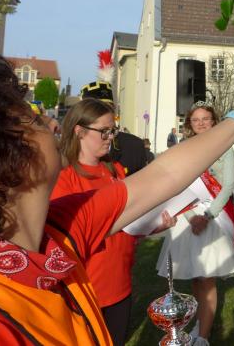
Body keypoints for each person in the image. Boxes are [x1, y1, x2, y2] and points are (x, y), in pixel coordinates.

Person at [0, 54, 234, 344]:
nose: (52, 122)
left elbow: (166, 174)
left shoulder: (62, 227)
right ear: (2, 159)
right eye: (35, 119)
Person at [50, 99, 137, 345]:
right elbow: (65, 236)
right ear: (79, 131)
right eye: (104, 131)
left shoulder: (115, 170)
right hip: (86, 290)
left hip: (120, 283)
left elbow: (130, 216)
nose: (110, 138)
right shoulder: (64, 177)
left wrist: (151, 224)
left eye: (113, 131)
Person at [155, 101, 234, 346]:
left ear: (214, 121)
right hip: (188, 216)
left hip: (213, 216)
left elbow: (227, 186)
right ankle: (198, 323)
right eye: (196, 120)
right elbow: (178, 184)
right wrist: (191, 216)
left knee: (206, 278)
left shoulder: (224, 147)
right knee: (194, 277)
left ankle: (203, 336)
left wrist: (207, 216)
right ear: (189, 124)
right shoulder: (184, 148)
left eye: (205, 119)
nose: (201, 123)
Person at [80, 80, 149, 175]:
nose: (106, 115)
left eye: (109, 109)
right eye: (99, 111)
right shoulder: (71, 151)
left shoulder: (134, 146)